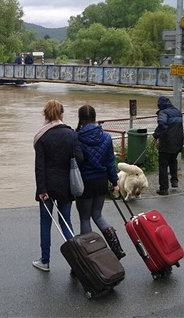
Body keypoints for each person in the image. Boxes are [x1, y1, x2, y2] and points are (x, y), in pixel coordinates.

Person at [32, 100, 83, 272]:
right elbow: (79, 158)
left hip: (46, 186)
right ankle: (76, 263)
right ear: (61, 114)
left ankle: (45, 261)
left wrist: (42, 190)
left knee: (45, 223)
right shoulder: (71, 134)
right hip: (66, 186)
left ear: (45, 115)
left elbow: (39, 166)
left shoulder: (41, 136)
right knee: (66, 222)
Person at [75, 105, 125, 260]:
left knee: (85, 218)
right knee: (98, 214)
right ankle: (116, 247)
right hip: (101, 181)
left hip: (84, 183)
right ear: (95, 118)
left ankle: (90, 255)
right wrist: (115, 182)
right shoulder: (106, 137)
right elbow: (110, 162)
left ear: (80, 119)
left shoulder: (76, 137)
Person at [153, 96, 184, 195]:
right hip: (178, 141)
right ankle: (174, 181)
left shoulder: (163, 113)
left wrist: (156, 135)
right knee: (173, 160)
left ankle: (163, 188)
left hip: (166, 143)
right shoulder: (177, 111)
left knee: (163, 165)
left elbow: (162, 124)